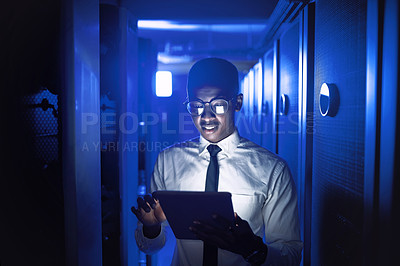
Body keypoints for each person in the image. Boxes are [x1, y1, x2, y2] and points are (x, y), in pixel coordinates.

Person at [131, 58, 303, 265]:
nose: (206, 116)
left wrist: (254, 249)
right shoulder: (168, 161)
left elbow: (291, 255)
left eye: (218, 105)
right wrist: (151, 227)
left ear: (237, 102)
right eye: (196, 106)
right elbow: (151, 247)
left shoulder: (273, 169)